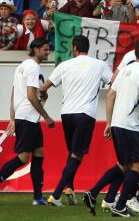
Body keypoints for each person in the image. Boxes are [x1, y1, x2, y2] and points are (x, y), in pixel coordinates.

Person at [83, 39, 139, 217]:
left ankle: (93, 192)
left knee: (125, 165)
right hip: (131, 125)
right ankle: (120, 205)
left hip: (119, 123)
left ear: (135, 53)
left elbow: (111, 95)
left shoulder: (125, 69)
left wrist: (109, 123)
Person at [39, 34, 113, 206]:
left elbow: (44, 87)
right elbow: (113, 82)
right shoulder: (99, 64)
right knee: (77, 155)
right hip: (85, 114)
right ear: (88, 49)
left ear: (74, 48)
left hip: (66, 114)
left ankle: (69, 188)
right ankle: (56, 195)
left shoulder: (64, 65)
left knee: (73, 152)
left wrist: (44, 94)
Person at [0, 39, 54, 206]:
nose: (48, 52)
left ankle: (37, 197)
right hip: (28, 117)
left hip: (26, 116)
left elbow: (14, 93)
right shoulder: (33, 67)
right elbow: (30, 95)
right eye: (45, 49)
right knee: (23, 157)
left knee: (39, 153)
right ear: (35, 49)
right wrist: (47, 117)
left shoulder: (22, 66)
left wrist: (12, 118)